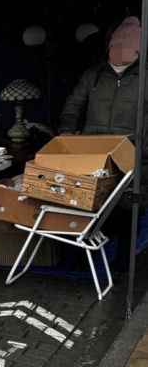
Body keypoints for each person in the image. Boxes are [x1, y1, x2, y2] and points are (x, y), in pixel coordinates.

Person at [58, 16, 144, 271]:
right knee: (88, 202)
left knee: (130, 207)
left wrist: (142, 149)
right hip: (93, 152)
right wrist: (66, 131)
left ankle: (124, 261)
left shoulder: (144, 77)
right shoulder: (94, 74)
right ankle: (83, 259)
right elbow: (73, 104)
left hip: (131, 153)